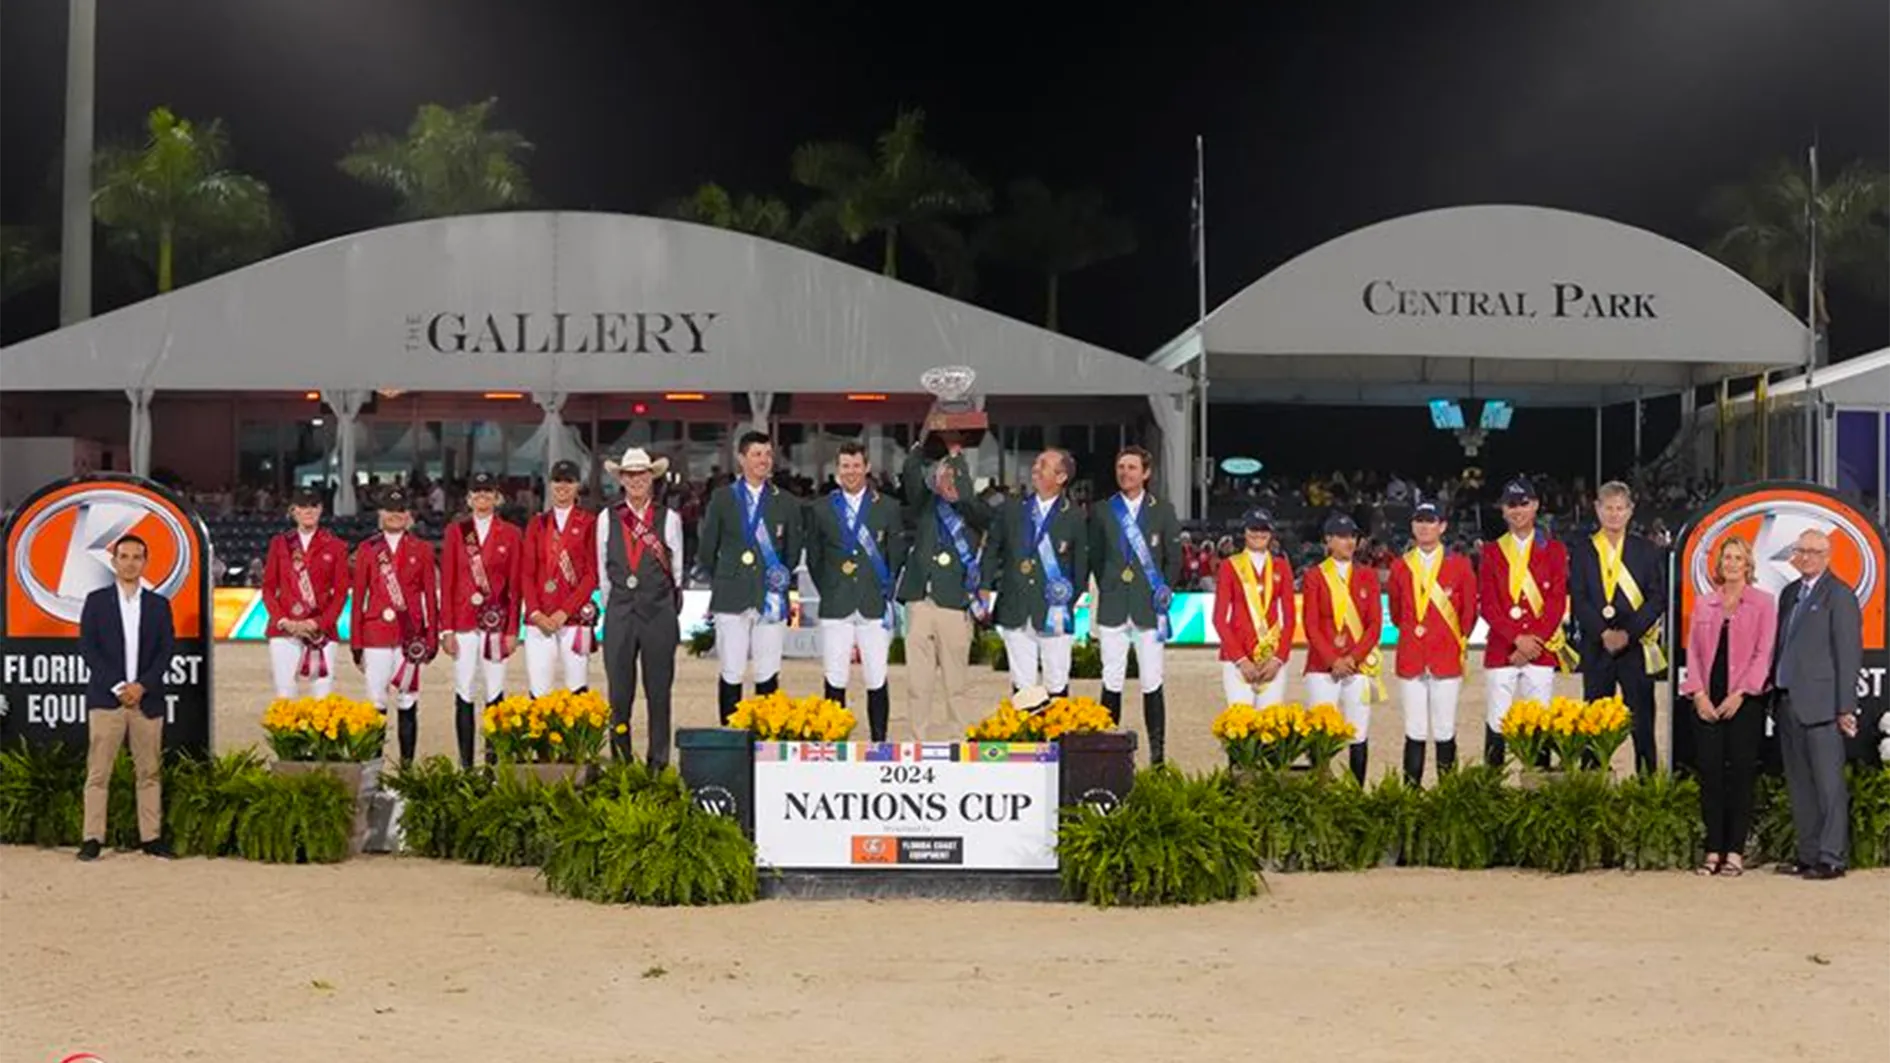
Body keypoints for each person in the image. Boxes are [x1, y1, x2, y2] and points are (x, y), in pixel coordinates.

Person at [1768, 529, 1863, 880]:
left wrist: (1845, 706)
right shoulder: (1790, 594)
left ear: (1827, 555)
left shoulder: (1839, 595)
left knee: (1828, 786)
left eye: (1813, 551)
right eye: (1801, 551)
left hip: (1823, 705)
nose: (1805, 557)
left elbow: (1848, 655)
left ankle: (1832, 857)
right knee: (1800, 785)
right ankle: (1807, 854)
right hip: (1788, 700)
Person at [1678, 535, 1776, 876]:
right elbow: (1693, 653)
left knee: (1742, 775)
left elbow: (1764, 653)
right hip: (1707, 699)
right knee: (1711, 775)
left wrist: (1743, 692)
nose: (1732, 564)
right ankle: (1713, 849)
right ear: (1719, 566)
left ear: (1748, 565)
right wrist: (1699, 694)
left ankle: (1735, 850)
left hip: (1744, 702)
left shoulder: (1764, 603)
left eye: (1738, 558)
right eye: (1727, 558)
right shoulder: (1705, 603)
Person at [75, 535, 177, 861]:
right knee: (98, 773)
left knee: (149, 772)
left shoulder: (159, 605)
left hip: (147, 701)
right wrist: (120, 686)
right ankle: (92, 838)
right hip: (107, 701)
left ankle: (151, 837)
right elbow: (89, 650)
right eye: (124, 556)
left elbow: (165, 652)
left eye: (137, 557)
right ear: (114, 561)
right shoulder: (96, 602)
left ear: (145, 562)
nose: (130, 562)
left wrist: (142, 686)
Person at [697, 431, 803, 722]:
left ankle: (764, 738)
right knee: (731, 669)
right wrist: (726, 577)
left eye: (768, 454)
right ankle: (730, 738)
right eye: (756, 454)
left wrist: (776, 578)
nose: (763, 460)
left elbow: (792, 552)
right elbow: (707, 550)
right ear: (741, 459)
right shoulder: (722, 498)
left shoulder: (788, 503)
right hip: (731, 597)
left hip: (770, 596)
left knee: (767, 670)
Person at [896, 433, 995, 739]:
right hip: (920, 601)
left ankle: (960, 738)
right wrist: (920, 445)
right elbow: (912, 477)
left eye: (954, 476)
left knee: (956, 683)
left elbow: (971, 503)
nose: (947, 481)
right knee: (918, 682)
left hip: (954, 603)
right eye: (942, 474)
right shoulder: (925, 505)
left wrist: (957, 461)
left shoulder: (976, 512)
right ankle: (918, 739)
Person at [807, 441, 907, 740]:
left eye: (856, 466)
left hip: (873, 603)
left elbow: (896, 553)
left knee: (876, 676)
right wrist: (830, 587)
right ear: (837, 470)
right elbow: (814, 557)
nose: (851, 472)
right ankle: (833, 740)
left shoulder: (887, 507)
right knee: (834, 675)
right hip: (836, 603)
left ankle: (879, 741)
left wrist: (884, 588)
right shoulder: (821, 508)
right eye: (845, 466)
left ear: (867, 468)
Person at [1088, 446, 1183, 763]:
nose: (1124, 472)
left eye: (1131, 467)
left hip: (1148, 605)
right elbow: (1096, 556)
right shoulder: (1103, 510)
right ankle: (1105, 752)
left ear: (1146, 473)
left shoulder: (1163, 510)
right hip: (1114, 603)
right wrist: (1111, 586)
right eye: (1120, 467)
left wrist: (1163, 590)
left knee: (1152, 678)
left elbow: (1173, 558)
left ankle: (1157, 757)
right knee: (1111, 676)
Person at [596, 447, 684, 767]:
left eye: (642, 475)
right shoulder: (607, 518)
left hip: (658, 612)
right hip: (620, 612)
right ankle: (621, 761)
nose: (636, 480)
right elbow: (602, 569)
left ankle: (658, 762)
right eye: (630, 475)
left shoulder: (669, 518)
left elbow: (677, 572)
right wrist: (617, 605)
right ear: (621, 479)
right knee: (619, 695)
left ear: (652, 478)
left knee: (659, 693)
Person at [1570, 481, 1666, 773]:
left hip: (1635, 646)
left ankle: (1647, 784)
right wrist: (1603, 632)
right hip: (1597, 646)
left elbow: (1657, 597)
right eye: (1608, 508)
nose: (1614, 514)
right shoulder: (1584, 550)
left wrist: (1628, 632)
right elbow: (1579, 597)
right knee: (1594, 720)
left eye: (1619, 508)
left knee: (1642, 721)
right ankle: (1593, 782)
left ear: (1630, 511)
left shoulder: (1646, 551)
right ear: (1597, 509)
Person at [1479, 477, 1572, 767]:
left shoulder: (1554, 551)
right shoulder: (1492, 552)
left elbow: (1556, 603)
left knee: (1539, 721)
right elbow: (1489, 605)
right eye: (1511, 505)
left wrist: (1532, 644)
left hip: (1539, 650)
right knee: (1497, 721)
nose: (1517, 510)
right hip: (1503, 649)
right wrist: (1517, 640)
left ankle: (1538, 787)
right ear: (1503, 511)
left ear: (1535, 506)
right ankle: (1492, 787)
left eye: (1523, 504)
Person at [981, 449, 1088, 697]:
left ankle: (1056, 734)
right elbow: (992, 549)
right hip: (1015, 607)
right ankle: (1026, 734)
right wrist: (984, 586)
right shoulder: (1012, 509)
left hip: (1054, 611)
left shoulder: (1074, 516)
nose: (1036, 468)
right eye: (1037, 463)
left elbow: (1081, 566)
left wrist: (1065, 603)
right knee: (1022, 684)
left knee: (1056, 682)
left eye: (1043, 464)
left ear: (1061, 477)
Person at [1388, 500, 1477, 786]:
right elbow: (1399, 611)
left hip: (1445, 657)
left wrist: (1448, 640)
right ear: (1413, 525)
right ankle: (1411, 795)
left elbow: (1468, 615)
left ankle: (1447, 795)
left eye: (1431, 521)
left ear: (1442, 526)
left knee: (1444, 728)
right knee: (1414, 729)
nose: (1425, 526)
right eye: (1420, 521)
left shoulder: (1460, 565)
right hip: (1412, 656)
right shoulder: (1400, 566)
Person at [349, 487, 439, 764]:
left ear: (408, 516)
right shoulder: (367, 549)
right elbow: (359, 598)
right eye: (389, 510)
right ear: (380, 514)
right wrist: (356, 642)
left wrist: (431, 639)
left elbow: (430, 598)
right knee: (376, 703)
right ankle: (373, 770)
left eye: (400, 511)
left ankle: (406, 770)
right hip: (375, 634)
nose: (395, 516)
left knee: (407, 702)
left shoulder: (422, 549)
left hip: (409, 638)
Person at [440, 471, 523, 768]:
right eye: (477, 492)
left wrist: (513, 629)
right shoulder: (456, 532)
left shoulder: (512, 534)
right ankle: (465, 764)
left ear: (497, 497)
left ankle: (492, 764)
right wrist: (446, 628)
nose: (482, 497)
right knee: (464, 690)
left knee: (495, 692)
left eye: (488, 492)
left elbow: (515, 587)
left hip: (497, 626)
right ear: (469, 498)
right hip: (463, 623)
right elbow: (447, 581)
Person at [1301, 513, 1383, 784]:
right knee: (1321, 731)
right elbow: (1310, 624)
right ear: (1328, 541)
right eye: (1342, 536)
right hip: (1322, 667)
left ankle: (1356, 791)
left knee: (1358, 731)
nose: (1349, 542)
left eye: (1353, 537)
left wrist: (1353, 658)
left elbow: (1374, 624)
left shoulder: (1368, 576)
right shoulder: (1314, 576)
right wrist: (1333, 659)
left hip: (1357, 667)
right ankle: (1319, 787)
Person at [260, 487, 349, 700]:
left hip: (321, 631)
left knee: (322, 694)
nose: (308, 511)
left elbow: (341, 592)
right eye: (302, 506)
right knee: (285, 693)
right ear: (293, 511)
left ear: (320, 510)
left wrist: (319, 623)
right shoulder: (280, 544)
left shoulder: (336, 546)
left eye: (313, 506)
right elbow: (269, 588)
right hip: (284, 630)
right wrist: (282, 620)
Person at [522, 460, 599, 697]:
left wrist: (564, 611)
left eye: (569, 481)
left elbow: (591, 574)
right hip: (540, 619)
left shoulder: (588, 523)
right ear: (550, 484)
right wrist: (535, 612)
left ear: (578, 486)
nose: (562, 486)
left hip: (573, 617)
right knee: (539, 691)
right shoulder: (537, 524)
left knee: (577, 689)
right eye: (557, 481)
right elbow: (527, 572)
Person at [1213, 508, 1295, 711]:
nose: (1259, 534)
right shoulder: (1230, 566)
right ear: (1245, 531)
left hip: (1272, 658)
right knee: (1240, 726)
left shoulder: (1281, 567)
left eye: (1264, 529)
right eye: (1254, 529)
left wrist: (1278, 658)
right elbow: (1219, 619)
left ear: (1271, 533)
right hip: (1238, 658)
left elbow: (1290, 618)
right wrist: (1240, 660)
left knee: (1270, 725)